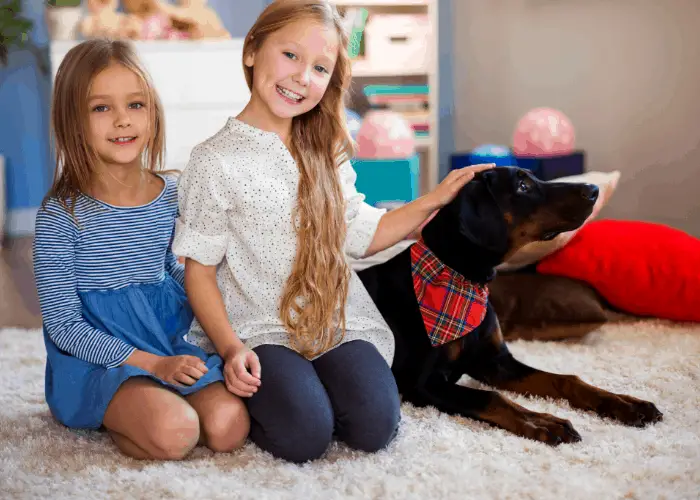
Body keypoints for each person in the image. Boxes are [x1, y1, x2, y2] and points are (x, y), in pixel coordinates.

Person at [173, 0, 494, 464]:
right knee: (306, 435)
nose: (303, 77)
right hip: (258, 329)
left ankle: (311, 384)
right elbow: (198, 273)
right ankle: (274, 392)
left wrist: (434, 199)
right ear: (252, 51)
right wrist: (230, 348)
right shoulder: (213, 161)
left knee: (375, 427)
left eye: (320, 67)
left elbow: (362, 233)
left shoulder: (323, 150)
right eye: (290, 56)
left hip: (331, 322)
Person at [32, 39, 249, 461]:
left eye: (135, 105)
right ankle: (116, 415)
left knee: (229, 428)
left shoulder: (173, 193)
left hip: (163, 340)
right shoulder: (60, 217)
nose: (121, 121)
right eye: (101, 108)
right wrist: (151, 365)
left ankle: (150, 408)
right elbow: (64, 326)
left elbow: (172, 272)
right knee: (177, 432)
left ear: (152, 113)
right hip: (99, 358)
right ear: (71, 120)